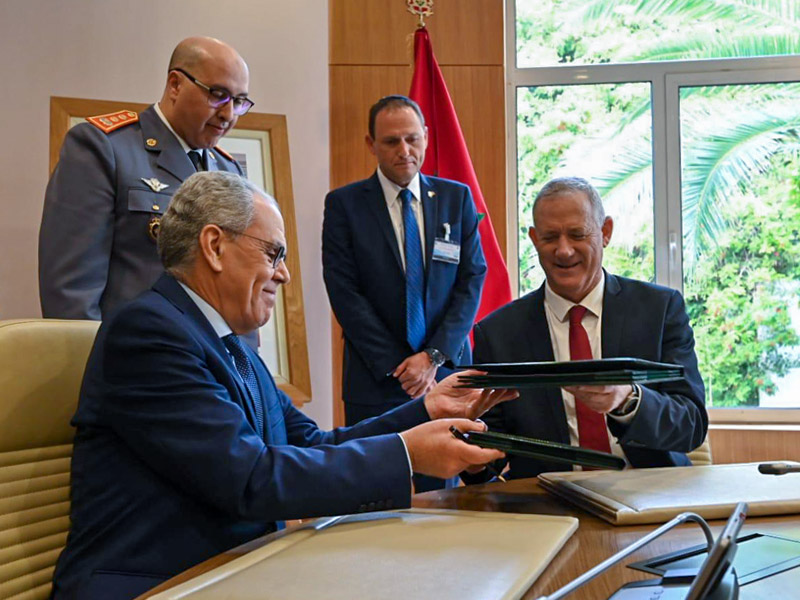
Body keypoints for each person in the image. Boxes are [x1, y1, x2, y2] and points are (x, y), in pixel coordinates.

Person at [50, 171, 513, 600]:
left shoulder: (232, 344)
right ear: (214, 246)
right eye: (274, 253)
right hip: (157, 584)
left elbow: (311, 444)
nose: (284, 274)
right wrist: (407, 453)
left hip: (234, 570)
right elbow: (251, 479)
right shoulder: (149, 333)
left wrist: (427, 410)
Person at [465, 176, 707, 482]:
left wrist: (627, 399)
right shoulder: (498, 333)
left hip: (651, 495)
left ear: (605, 232)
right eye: (550, 237)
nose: (563, 251)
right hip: (547, 507)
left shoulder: (659, 310)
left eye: (577, 234)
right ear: (534, 239)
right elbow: (485, 462)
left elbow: (691, 425)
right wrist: (471, 454)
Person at [39, 36, 249, 320]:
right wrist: (94, 363)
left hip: (208, 360)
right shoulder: (105, 148)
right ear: (175, 84)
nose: (228, 114)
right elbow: (71, 295)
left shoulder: (228, 170)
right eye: (217, 95)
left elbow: (240, 288)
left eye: (238, 101)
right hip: (133, 355)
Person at [322, 95, 487, 432]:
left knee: (444, 482)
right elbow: (344, 292)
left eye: (412, 138)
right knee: (375, 480)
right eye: (391, 141)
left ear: (425, 136)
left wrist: (431, 358)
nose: (404, 150)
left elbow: (471, 280)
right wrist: (402, 368)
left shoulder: (456, 199)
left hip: (445, 374)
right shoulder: (344, 205)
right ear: (371, 144)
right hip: (376, 378)